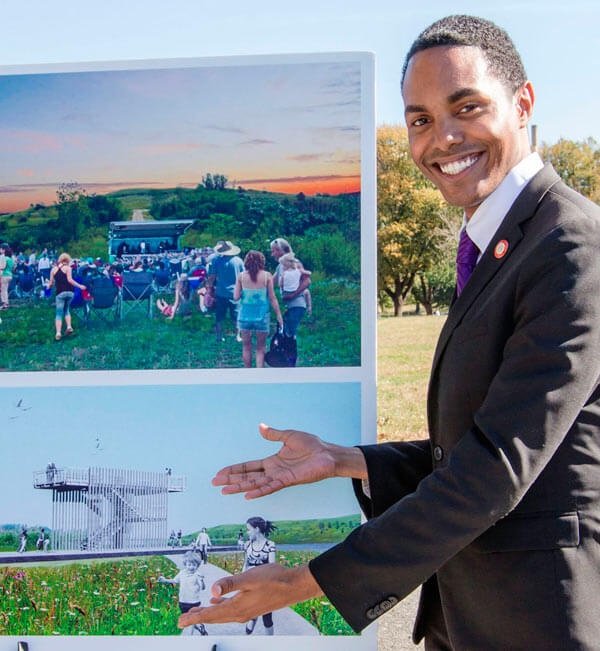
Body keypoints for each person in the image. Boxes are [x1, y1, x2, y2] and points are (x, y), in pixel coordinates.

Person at [178, 15, 600, 650]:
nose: (442, 138)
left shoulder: (569, 245)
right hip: (471, 614)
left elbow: (495, 469)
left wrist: (299, 582)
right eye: (420, 119)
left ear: (523, 103)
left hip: (535, 618)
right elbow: (466, 444)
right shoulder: (497, 239)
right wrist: (341, 460)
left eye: (467, 106)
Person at [233, 250, 283, 368]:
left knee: (246, 347)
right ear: (262, 262)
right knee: (260, 348)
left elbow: (235, 297)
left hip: (245, 317)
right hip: (262, 317)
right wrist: (278, 314)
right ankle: (259, 373)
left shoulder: (241, 276)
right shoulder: (267, 276)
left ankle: (248, 373)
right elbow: (272, 298)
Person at [270, 238, 311, 366]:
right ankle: (285, 358)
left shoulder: (294, 263)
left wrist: (293, 294)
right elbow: (271, 282)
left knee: (289, 333)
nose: (272, 254)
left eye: (273, 251)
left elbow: (307, 281)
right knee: (283, 330)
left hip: (297, 303)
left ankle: (290, 362)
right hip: (289, 305)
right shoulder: (280, 266)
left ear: (280, 250)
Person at [158, 551, 208, 635]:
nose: (191, 567)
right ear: (185, 564)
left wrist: (202, 580)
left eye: (194, 565)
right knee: (189, 620)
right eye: (189, 565)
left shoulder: (197, 575)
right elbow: (174, 581)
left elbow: (203, 588)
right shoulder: (182, 573)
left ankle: (189, 638)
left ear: (197, 566)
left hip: (194, 602)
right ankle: (200, 627)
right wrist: (165, 580)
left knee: (190, 621)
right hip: (183, 601)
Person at [241, 517, 277, 636]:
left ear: (256, 529)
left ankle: (270, 643)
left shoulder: (269, 545)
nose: (247, 532)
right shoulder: (248, 545)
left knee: (267, 616)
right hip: (250, 584)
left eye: (248, 529)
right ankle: (252, 619)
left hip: (264, 584)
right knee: (251, 610)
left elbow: (272, 567)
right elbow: (245, 565)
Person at [206, 240, 244, 342]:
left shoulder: (216, 261)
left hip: (221, 292)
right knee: (236, 316)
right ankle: (237, 336)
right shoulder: (238, 261)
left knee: (219, 316)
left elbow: (212, 277)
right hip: (235, 292)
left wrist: (209, 289)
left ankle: (219, 336)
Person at [47, 253, 86, 340]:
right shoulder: (68, 268)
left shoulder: (53, 270)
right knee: (66, 309)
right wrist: (80, 286)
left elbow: (51, 283)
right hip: (70, 292)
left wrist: (48, 286)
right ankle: (69, 326)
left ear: (60, 260)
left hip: (60, 293)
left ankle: (58, 333)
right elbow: (70, 280)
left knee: (59, 313)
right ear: (68, 260)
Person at [0, 243, 14, 310]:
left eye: (1, 248)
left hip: (5, 275)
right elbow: (13, 267)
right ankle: (6, 303)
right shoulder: (10, 258)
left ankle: (4, 304)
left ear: (4, 249)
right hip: (10, 275)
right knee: (5, 290)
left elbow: (3, 267)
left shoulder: (4, 258)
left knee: (3, 290)